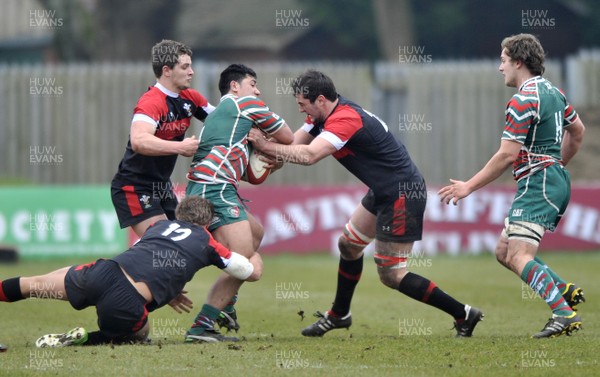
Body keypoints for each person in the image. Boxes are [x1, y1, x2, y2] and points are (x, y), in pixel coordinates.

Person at [248, 70, 483, 338]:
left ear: (321, 100)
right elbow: (292, 146)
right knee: (348, 245)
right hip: (384, 189)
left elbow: (310, 155)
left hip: (402, 193)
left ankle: (464, 314)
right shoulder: (321, 116)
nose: (301, 109)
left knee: (391, 274)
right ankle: (339, 315)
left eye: (303, 104)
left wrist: (265, 147)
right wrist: (262, 158)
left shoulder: (345, 119)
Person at [438, 34, 586, 338]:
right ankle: (562, 290)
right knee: (504, 250)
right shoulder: (553, 93)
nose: (499, 67)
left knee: (519, 256)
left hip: (538, 182)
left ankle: (563, 313)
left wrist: (468, 186)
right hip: (550, 178)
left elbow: (507, 155)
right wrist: (556, 166)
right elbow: (578, 131)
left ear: (518, 62)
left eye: (503, 60)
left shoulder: (523, 100)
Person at [0, 196, 263, 347]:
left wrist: (168, 288)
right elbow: (247, 272)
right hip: (125, 302)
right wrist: (254, 253)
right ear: (207, 222)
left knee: (33, 284)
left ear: (179, 215)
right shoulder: (208, 242)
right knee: (138, 334)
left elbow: (145, 258)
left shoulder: (158, 228)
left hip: (102, 273)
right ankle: (86, 339)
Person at [184, 64, 294, 342]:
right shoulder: (245, 104)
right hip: (215, 187)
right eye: (252, 83)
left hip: (210, 186)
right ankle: (202, 326)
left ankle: (226, 304)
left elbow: (250, 174)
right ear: (235, 86)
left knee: (256, 233)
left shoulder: (225, 117)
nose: (257, 90)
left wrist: (266, 156)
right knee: (245, 263)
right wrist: (267, 145)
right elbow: (289, 137)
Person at [111, 39, 215, 238]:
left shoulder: (190, 98)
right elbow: (139, 141)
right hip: (134, 187)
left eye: (191, 66)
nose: (191, 72)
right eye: (185, 67)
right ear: (167, 70)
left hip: (161, 186)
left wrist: (257, 134)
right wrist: (180, 147)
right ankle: (110, 270)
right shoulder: (151, 102)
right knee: (167, 244)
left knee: (182, 246)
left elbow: (221, 120)